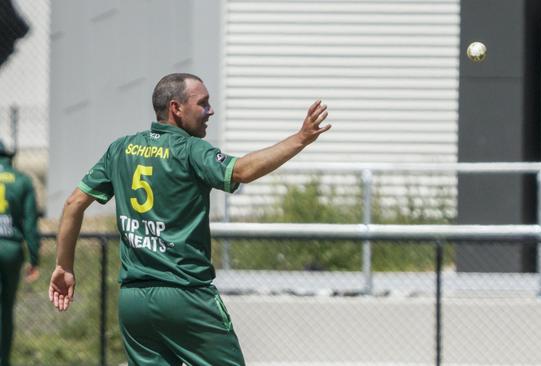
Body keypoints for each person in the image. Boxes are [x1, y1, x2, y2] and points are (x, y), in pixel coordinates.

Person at [48, 72, 330, 365]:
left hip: (134, 301)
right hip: (185, 296)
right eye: (203, 103)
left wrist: (63, 266)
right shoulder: (190, 150)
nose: (210, 111)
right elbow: (241, 171)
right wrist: (300, 139)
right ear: (176, 108)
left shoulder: (121, 149)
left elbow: (73, 203)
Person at [0, 141, 40, 366]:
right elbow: (30, 223)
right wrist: (34, 258)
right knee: (6, 310)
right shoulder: (22, 180)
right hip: (11, 249)